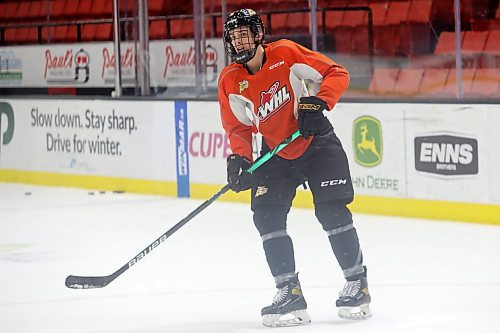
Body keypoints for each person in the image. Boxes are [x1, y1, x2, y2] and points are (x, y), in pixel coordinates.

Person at [218, 8, 371, 327]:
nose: (239, 40)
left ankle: (358, 284)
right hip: (274, 153)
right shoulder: (230, 80)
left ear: (259, 34)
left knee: (331, 212)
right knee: (265, 215)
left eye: (245, 32)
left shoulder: (285, 53)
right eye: (234, 35)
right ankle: (289, 290)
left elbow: (336, 73)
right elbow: (238, 128)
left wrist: (319, 103)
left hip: (316, 142)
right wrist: (241, 159)